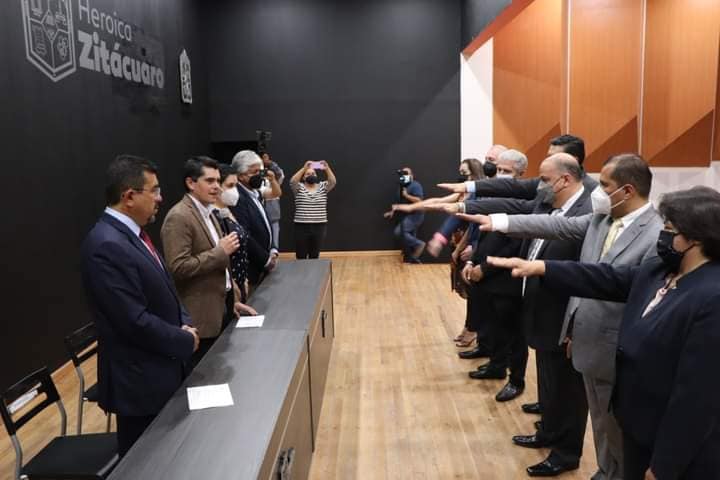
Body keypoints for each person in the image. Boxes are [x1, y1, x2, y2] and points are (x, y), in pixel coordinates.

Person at [488, 186, 720, 480]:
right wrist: (542, 267)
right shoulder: (661, 270)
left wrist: (665, 465)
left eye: (670, 229)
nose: (663, 235)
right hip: (637, 425)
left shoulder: (712, 297)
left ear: (696, 238)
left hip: (672, 446)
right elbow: (608, 278)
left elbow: (697, 397)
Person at [461, 153, 662, 479]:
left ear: (627, 190)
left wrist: (543, 268)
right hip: (585, 337)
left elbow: (623, 288)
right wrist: (499, 222)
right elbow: (557, 225)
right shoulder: (601, 219)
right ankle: (605, 470)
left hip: (618, 348)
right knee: (600, 421)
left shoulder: (654, 234)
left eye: (604, 185)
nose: (597, 191)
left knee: (618, 429)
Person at [80, 155, 199, 457]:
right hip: (140, 383)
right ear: (129, 196)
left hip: (162, 367)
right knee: (148, 463)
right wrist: (184, 339)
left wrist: (184, 321)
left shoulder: (132, 234)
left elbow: (166, 289)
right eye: (154, 190)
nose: (160, 198)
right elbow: (132, 321)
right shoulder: (106, 244)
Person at [161, 157, 256, 368]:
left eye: (218, 181)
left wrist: (231, 299)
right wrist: (219, 252)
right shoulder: (179, 217)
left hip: (222, 309)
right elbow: (178, 267)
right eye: (210, 181)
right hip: (200, 320)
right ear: (191, 183)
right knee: (205, 377)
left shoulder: (209, 212)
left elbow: (220, 265)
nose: (216, 187)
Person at [458, 150, 526, 403]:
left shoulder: (524, 203)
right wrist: (473, 260)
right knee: (493, 325)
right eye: (499, 170)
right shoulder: (497, 197)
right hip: (486, 274)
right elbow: (484, 234)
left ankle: (516, 380)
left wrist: (484, 268)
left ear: (521, 174)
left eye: (507, 171)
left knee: (513, 334)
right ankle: (496, 365)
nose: (500, 174)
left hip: (506, 278)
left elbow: (515, 245)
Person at [437, 134, 598, 199]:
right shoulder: (543, 183)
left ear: (573, 160)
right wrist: (468, 187)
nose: (547, 161)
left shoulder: (592, 192)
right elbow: (511, 187)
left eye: (553, 157)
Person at [230, 150, 279, 287]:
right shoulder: (237, 198)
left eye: (260, 171)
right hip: (252, 268)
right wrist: (266, 260)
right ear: (241, 176)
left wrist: (272, 248)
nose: (259, 176)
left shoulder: (254, 192)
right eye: (255, 172)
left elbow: (265, 221)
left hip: (264, 263)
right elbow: (245, 234)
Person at [213, 164, 251, 303]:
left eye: (236, 186)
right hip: (229, 285)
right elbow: (221, 254)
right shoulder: (214, 216)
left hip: (241, 279)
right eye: (230, 186)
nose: (234, 191)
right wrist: (232, 282)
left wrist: (244, 278)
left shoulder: (228, 211)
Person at [289, 160, 337, 259]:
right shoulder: (298, 187)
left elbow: (333, 182)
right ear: (303, 177)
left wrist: (327, 168)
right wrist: (304, 168)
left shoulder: (323, 186)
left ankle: (313, 270)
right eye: (308, 174)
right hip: (301, 226)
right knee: (301, 255)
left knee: (314, 255)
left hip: (319, 226)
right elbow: (293, 181)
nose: (311, 175)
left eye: (313, 173)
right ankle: (301, 270)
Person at [383, 167, 425, 263]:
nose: (404, 175)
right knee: (409, 239)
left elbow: (419, 200)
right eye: (403, 173)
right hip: (406, 215)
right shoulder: (402, 186)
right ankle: (413, 260)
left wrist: (407, 195)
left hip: (415, 215)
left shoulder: (415, 185)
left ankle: (419, 244)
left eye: (406, 173)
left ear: (412, 175)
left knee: (399, 232)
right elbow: (400, 202)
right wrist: (391, 212)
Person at [260, 151, 284, 250]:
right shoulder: (257, 176)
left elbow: (280, 174)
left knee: (274, 242)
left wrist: (270, 163)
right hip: (260, 211)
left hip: (273, 213)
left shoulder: (275, 175)